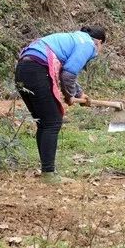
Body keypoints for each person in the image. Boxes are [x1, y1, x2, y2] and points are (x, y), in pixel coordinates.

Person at [14, 26, 106, 184]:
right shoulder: (88, 44)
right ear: (99, 42)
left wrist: (78, 94)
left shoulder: (74, 38)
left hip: (23, 69)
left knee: (45, 122)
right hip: (37, 69)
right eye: (102, 46)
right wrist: (69, 95)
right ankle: (48, 174)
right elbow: (69, 73)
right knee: (52, 121)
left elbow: (66, 72)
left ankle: (47, 171)